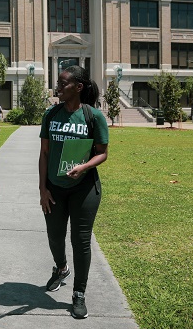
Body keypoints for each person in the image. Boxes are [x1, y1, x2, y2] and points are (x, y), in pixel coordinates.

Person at [38, 66, 109, 319]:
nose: (58, 86)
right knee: (55, 237)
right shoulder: (51, 115)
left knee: (81, 241)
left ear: (78, 87)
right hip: (55, 189)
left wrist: (84, 167)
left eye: (63, 83)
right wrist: (42, 188)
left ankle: (79, 293)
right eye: (57, 82)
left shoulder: (93, 117)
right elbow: (44, 153)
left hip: (84, 188)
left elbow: (102, 153)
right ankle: (61, 268)